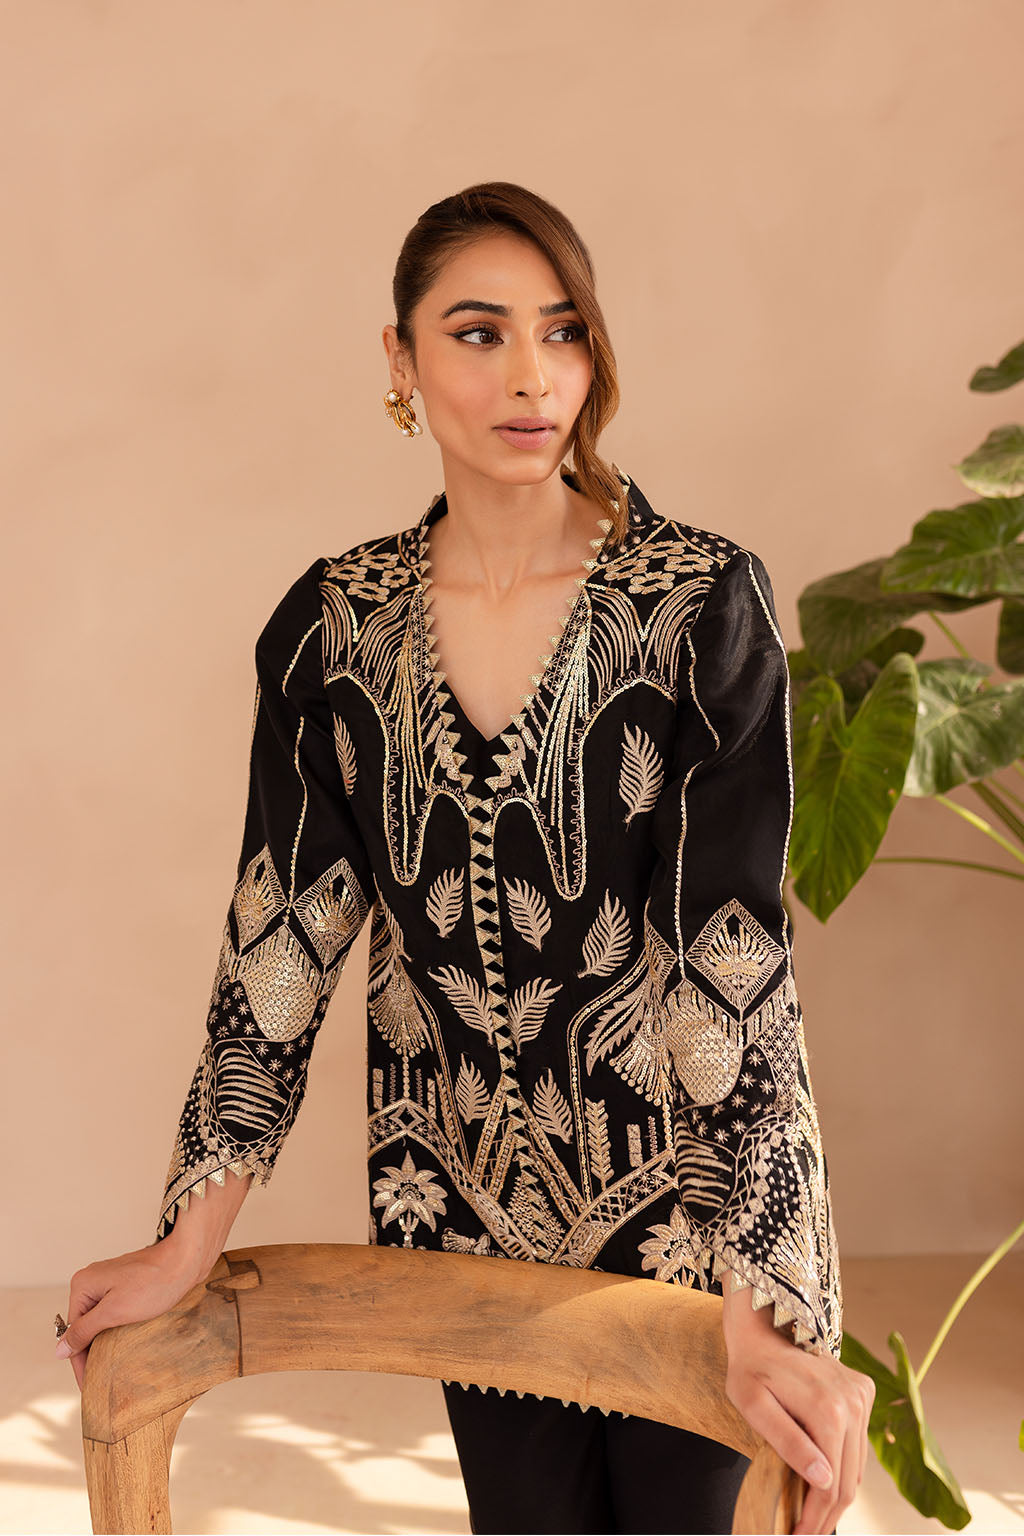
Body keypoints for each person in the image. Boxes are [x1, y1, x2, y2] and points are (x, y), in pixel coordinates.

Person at [57, 181, 872, 1535]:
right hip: (460, 1219)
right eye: (480, 333)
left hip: (694, 1223)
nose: (531, 376)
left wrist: (761, 1292)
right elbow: (282, 944)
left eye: (564, 332)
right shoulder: (334, 630)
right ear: (401, 359)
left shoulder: (696, 607)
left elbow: (727, 961)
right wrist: (188, 1240)